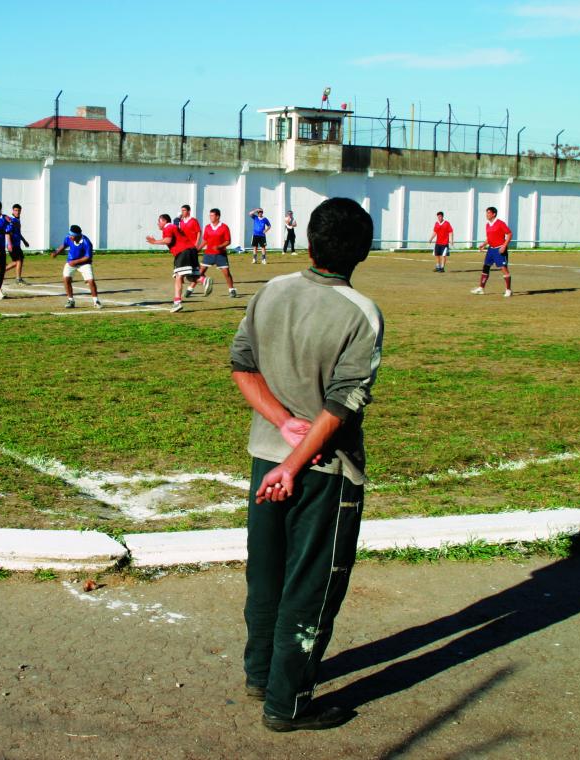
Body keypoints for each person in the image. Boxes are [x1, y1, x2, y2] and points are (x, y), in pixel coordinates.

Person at [230, 196, 382, 732]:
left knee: (266, 574)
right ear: (362, 250)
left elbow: (242, 367)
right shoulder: (361, 312)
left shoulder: (270, 291)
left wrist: (281, 425)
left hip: (265, 459)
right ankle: (287, 704)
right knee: (310, 585)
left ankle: (260, 675)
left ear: (309, 241)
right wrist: (296, 459)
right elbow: (342, 404)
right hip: (319, 471)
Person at [146, 212, 199, 313]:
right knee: (190, 276)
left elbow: (168, 240)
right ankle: (204, 280)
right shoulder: (173, 227)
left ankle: (177, 302)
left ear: (165, 221)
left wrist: (154, 242)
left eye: (159, 221)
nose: (158, 223)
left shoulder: (168, 227)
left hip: (183, 252)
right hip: (191, 250)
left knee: (178, 276)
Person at [51, 224, 102, 309]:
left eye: (72, 236)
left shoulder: (86, 242)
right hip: (71, 262)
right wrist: (56, 252)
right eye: (70, 235)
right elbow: (64, 245)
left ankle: (96, 301)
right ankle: (71, 300)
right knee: (66, 278)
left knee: (91, 281)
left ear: (78, 236)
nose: (70, 237)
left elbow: (88, 257)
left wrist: (75, 262)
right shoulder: (68, 237)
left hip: (84, 263)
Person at [471, 206, 513, 297]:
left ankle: (508, 290)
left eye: (489, 213)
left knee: (504, 269)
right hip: (491, 249)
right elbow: (489, 238)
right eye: (486, 213)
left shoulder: (500, 223)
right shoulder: (487, 224)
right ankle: (481, 288)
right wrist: (484, 244)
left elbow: (509, 234)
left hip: (499, 249)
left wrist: (504, 246)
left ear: (494, 214)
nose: (487, 215)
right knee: (485, 267)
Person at [196, 207, 238, 298]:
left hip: (220, 255)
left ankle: (232, 290)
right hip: (208, 254)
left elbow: (228, 241)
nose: (210, 217)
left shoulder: (224, 227)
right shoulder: (207, 227)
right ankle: (205, 283)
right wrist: (198, 249)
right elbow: (205, 240)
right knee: (199, 272)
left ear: (218, 216)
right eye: (210, 215)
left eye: (212, 215)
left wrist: (219, 246)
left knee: (226, 273)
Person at [178, 205, 204, 298]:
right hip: (184, 247)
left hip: (191, 247)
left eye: (184, 210)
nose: (182, 212)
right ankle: (200, 280)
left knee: (191, 268)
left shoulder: (193, 221)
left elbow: (198, 232)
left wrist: (197, 243)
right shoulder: (181, 222)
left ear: (189, 211)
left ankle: (202, 280)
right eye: (181, 210)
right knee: (189, 268)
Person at [7, 203, 30, 284]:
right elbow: (8, 233)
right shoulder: (11, 220)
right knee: (18, 261)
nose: (17, 212)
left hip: (17, 244)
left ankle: (1, 271)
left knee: (19, 261)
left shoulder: (17, 220)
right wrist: (9, 244)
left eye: (19, 211)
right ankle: (18, 279)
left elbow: (18, 233)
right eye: (16, 210)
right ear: (12, 211)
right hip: (12, 245)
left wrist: (24, 241)